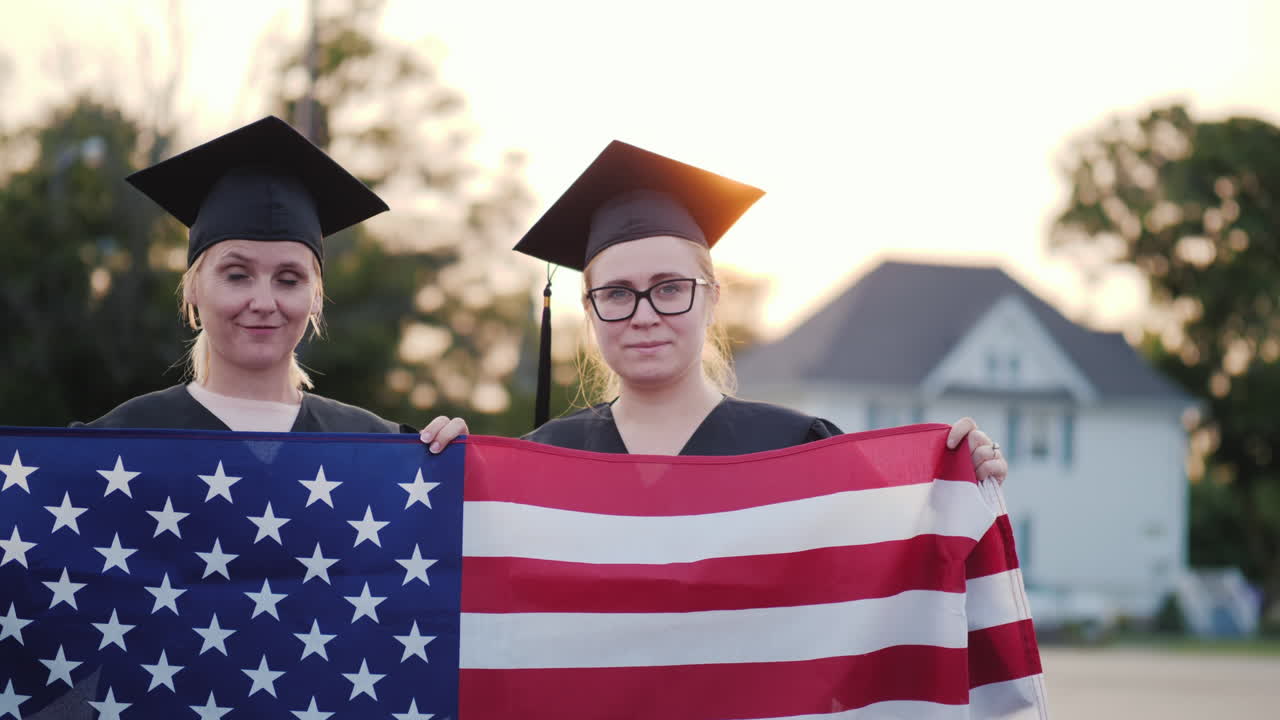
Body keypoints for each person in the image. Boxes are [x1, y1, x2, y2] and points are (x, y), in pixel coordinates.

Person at [514, 141, 1006, 478]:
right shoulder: (543, 460)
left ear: (712, 299)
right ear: (590, 308)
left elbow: (896, 559)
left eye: (669, 289)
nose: (644, 316)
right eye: (618, 294)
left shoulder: (798, 448)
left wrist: (963, 484)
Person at [76, 116, 465, 451]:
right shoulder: (116, 444)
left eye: (289, 279)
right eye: (237, 275)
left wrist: (459, 468)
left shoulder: (378, 449)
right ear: (192, 287)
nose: (263, 302)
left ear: (316, 297)